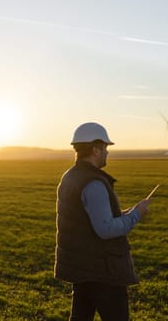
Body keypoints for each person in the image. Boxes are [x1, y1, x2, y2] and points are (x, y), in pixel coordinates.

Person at [55, 122, 151, 321]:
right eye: (105, 148)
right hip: (103, 272)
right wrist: (136, 215)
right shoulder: (93, 183)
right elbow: (105, 229)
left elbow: (86, 219)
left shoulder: (70, 176)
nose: (107, 152)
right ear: (95, 149)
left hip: (82, 269)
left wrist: (125, 213)